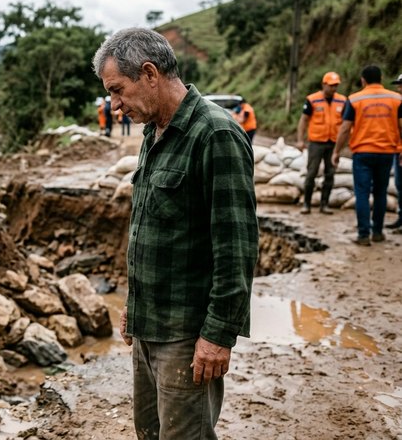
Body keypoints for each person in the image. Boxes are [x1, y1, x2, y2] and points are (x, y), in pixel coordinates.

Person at [92, 27, 259, 440]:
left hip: (186, 336)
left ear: (149, 73)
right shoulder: (154, 132)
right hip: (151, 325)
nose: (114, 106)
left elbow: (236, 247)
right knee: (148, 431)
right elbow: (152, 230)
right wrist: (135, 305)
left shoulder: (215, 134)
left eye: (117, 91)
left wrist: (218, 336)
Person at [331, 65, 402, 246]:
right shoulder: (396, 99)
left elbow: (345, 128)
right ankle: (377, 232)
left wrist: (337, 151)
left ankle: (363, 234)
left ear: (363, 80)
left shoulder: (355, 99)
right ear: (381, 78)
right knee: (381, 192)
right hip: (387, 152)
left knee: (362, 193)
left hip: (363, 153)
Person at [296, 71, 347, 215]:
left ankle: (324, 204)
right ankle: (306, 204)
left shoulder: (342, 101)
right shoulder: (312, 100)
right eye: (331, 85)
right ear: (324, 84)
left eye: (336, 85)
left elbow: (346, 124)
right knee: (311, 173)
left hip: (333, 143)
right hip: (316, 143)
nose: (333, 88)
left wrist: (345, 143)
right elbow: (303, 120)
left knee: (330, 174)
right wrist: (300, 140)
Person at [387, 73, 402, 230]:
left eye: (401, 84)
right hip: (396, 150)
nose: (399, 88)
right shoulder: (397, 104)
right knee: (398, 185)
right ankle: (400, 216)